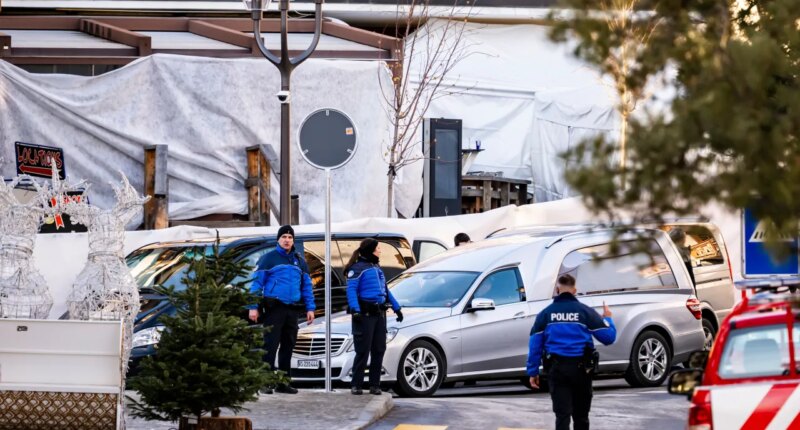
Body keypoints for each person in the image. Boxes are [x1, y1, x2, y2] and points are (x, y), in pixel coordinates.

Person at [526, 274, 616, 430]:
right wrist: (608, 318)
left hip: (557, 370)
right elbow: (608, 338)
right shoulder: (586, 312)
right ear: (574, 291)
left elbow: (535, 345)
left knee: (562, 416)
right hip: (582, 370)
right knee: (581, 417)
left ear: (557, 289)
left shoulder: (545, 314)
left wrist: (532, 372)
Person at [248, 225, 316, 395]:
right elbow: (256, 284)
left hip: (292, 309)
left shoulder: (299, 261)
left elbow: (307, 286)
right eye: (284, 236)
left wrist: (310, 308)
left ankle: (283, 382)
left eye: (290, 237)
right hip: (274, 309)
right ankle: (266, 382)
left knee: (288, 346)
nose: (287, 240)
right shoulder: (268, 259)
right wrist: (253, 307)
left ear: (293, 240)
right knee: (270, 345)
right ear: (278, 239)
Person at [345, 238, 403, 395]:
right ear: (371, 250)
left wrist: (397, 308)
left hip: (378, 315)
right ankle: (356, 384)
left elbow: (385, 290)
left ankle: (374, 384)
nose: (380, 250)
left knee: (379, 349)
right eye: (378, 248)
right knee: (362, 351)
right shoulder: (357, 268)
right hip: (364, 315)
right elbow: (351, 290)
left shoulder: (376, 267)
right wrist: (355, 310)